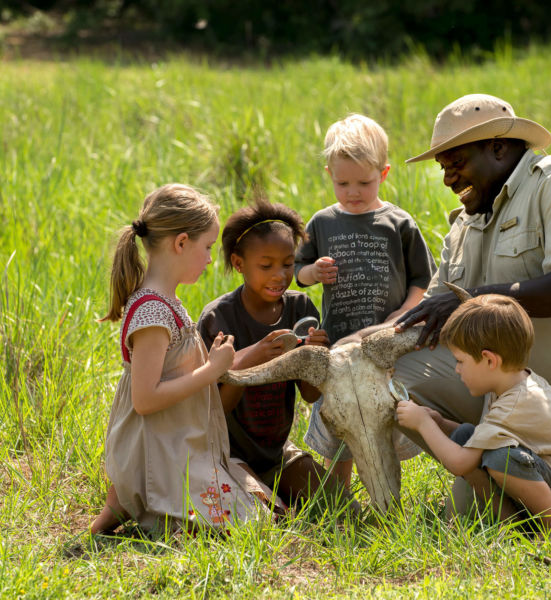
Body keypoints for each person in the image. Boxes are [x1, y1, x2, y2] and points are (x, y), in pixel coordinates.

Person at [394, 93, 551, 507]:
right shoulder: (465, 224)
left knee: (480, 502)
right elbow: (428, 316)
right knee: (387, 373)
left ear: (498, 147)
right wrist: (350, 344)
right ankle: (504, 464)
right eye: (443, 168)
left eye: (456, 163)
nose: (448, 180)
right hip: (512, 396)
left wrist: (473, 299)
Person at [90, 183, 268, 535]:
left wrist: (222, 362)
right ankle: (132, 498)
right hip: (160, 452)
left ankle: (126, 501)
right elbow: (145, 400)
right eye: (207, 247)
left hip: (175, 445)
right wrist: (211, 370)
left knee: (259, 506)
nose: (208, 258)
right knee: (244, 525)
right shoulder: (153, 313)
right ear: (181, 242)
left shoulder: (165, 302)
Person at [295, 113, 436, 486]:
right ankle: (339, 497)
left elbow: (423, 277)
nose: (353, 192)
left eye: (364, 182)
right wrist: (313, 274)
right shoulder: (322, 223)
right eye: (343, 183)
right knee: (339, 419)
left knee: (384, 420)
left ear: (384, 174)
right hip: (339, 347)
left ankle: (385, 493)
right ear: (329, 175)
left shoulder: (398, 223)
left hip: (386, 347)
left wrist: (404, 315)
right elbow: (298, 269)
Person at [397, 294, 551, 533]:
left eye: (460, 361)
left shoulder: (516, 403)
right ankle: (512, 529)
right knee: (465, 435)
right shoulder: (508, 384)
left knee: (501, 459)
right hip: (548, 482)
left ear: (489, 360)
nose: (457, 369)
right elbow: (478, 441)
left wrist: (423, 424)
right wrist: (439, 422)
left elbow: (460, 463)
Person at [197, 200, 348, 508]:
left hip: (277, 454)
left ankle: (274, 491)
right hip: (226, 455)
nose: (279, 275)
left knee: (340, 506)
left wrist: (314, 357)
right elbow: (214, 409)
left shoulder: (300, 308)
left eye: (288, 264)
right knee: (266, 517)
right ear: (239, 264)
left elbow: (308, 394)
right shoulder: (219, 319)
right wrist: (252, 361)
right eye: (266, 266)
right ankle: (267, 498)